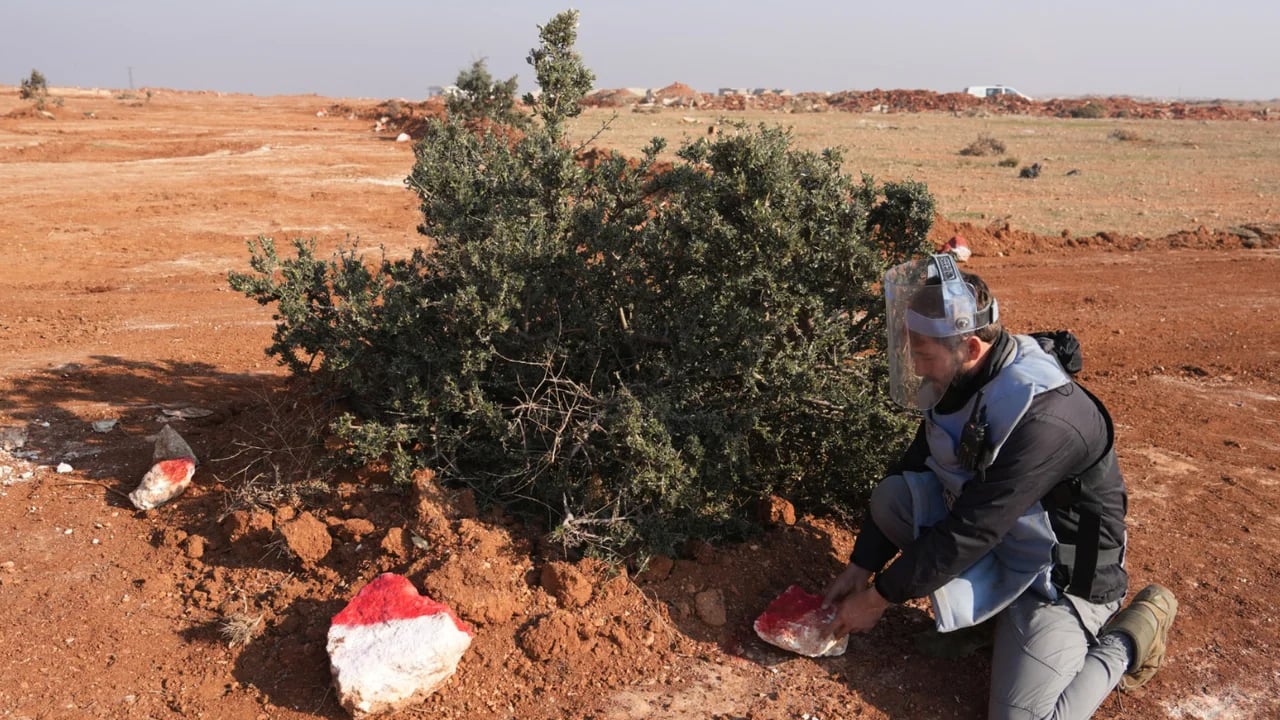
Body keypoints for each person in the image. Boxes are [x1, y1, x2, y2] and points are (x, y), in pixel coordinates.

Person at [821, 253, 1177, 719]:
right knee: (895, 498)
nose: (916, 364)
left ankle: (1131, 634)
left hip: (1060, 576)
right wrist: (862, 564)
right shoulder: (962, 374)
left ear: (970, 347)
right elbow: (917, 460)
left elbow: (973, 528)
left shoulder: (1047, 417)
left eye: (923, 353)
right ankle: (992, 622)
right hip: (1007, 540)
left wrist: (879, 597)